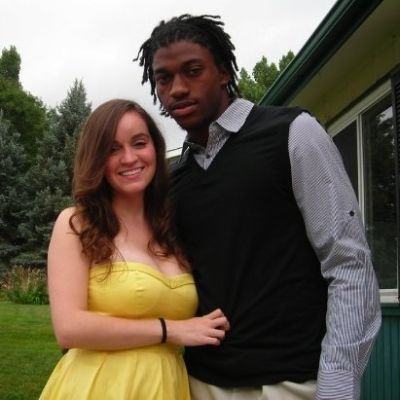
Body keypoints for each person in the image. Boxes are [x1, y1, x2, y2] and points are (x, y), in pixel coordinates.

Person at [135, 14, 382, 400]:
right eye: (163, 78)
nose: (177, 89)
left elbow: (348, 263)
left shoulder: (292, 132)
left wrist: (336, 385)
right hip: (201, 384)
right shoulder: (175, 181)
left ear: (223, 71)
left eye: (193, 71)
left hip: (290, 383)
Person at [39, 99, 229, 400]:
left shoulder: (170, 230)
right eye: (112, 149)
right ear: (97, 159)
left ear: (155, 148)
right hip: (101, 386)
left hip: (167, 385)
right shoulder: (77, 223)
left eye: (139, 143)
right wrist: (171, 330)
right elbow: (69, 328)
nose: (129, 158)